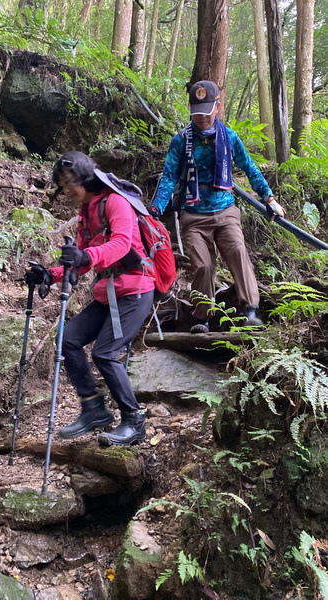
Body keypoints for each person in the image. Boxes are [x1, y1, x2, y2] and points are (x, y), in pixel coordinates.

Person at [25, 151, 155, 446]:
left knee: (105, 353)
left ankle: (134, 421)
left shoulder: (116, 201)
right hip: (109, 291)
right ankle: (94, 408)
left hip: (135, 289)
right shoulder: (86, 213)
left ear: (85, 178)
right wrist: (51, 274)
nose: (67, 190)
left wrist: (86, 254)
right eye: (62, 185)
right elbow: (82, 263)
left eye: (70, 182)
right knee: (67, 339)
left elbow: (121, 244)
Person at [149, 80, 285, 333]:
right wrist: (156, 208)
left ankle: (251, 310)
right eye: (197, 111)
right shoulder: (181, 140)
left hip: (225, 211)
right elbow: (168, 177)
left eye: (207, 110)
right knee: (203, 265)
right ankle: (202, 318)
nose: (202, 117)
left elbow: (249, 168)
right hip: (193, 214)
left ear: (218, 107)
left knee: (238, 253)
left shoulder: (230, 137)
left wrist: (269, 198)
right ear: (191, 109)